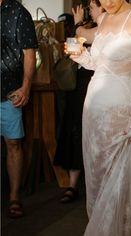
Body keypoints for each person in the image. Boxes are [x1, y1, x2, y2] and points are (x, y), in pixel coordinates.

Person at [69, 0, 131, 234]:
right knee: (95, 178)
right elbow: (98, 64)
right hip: (92, 111)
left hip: (119, 112)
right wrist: (79, 55)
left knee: (117, 184)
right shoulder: (103, 18)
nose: (107, 2)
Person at [53, 0, 104, 203]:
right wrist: (77, 25)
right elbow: (73, 50)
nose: (89, 10)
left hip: (97, 84)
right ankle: (72, 186)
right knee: (74, 129)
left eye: (92, 6)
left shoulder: (104, 28)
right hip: (79, 85)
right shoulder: (86, 27)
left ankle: (97, 185)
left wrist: (77, 25)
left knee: (95, 134)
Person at [0, 0, 38, 218]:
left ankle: (14, 197)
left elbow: (29, 53)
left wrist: (26, 87)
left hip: (8, 91)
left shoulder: (18, 13)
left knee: (13, 143)